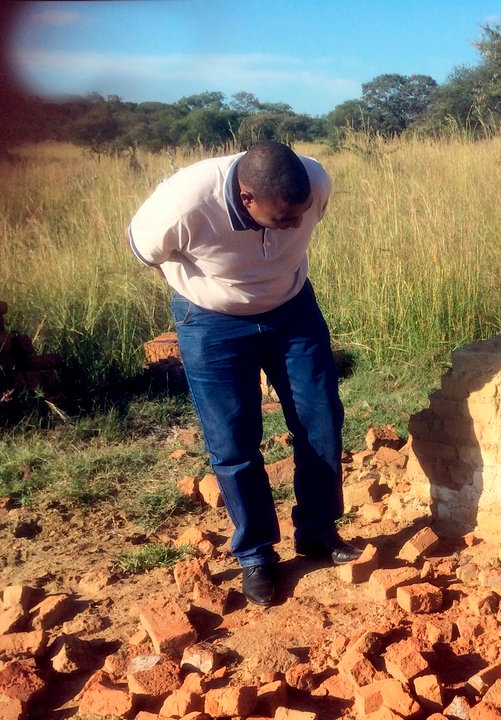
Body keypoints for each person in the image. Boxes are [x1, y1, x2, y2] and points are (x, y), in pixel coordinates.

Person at [128, 140, 362, 606]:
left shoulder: (315, 181)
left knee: (320, 420)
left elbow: (300, 215)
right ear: (247, 198)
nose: (295, 225)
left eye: (300, 214)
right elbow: (147, 253)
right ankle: (256, 556)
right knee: (233, 442)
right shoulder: (183, 205)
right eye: (282, 219)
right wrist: (206, 293)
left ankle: (317, 531)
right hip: (211, 323)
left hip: (292, 310)